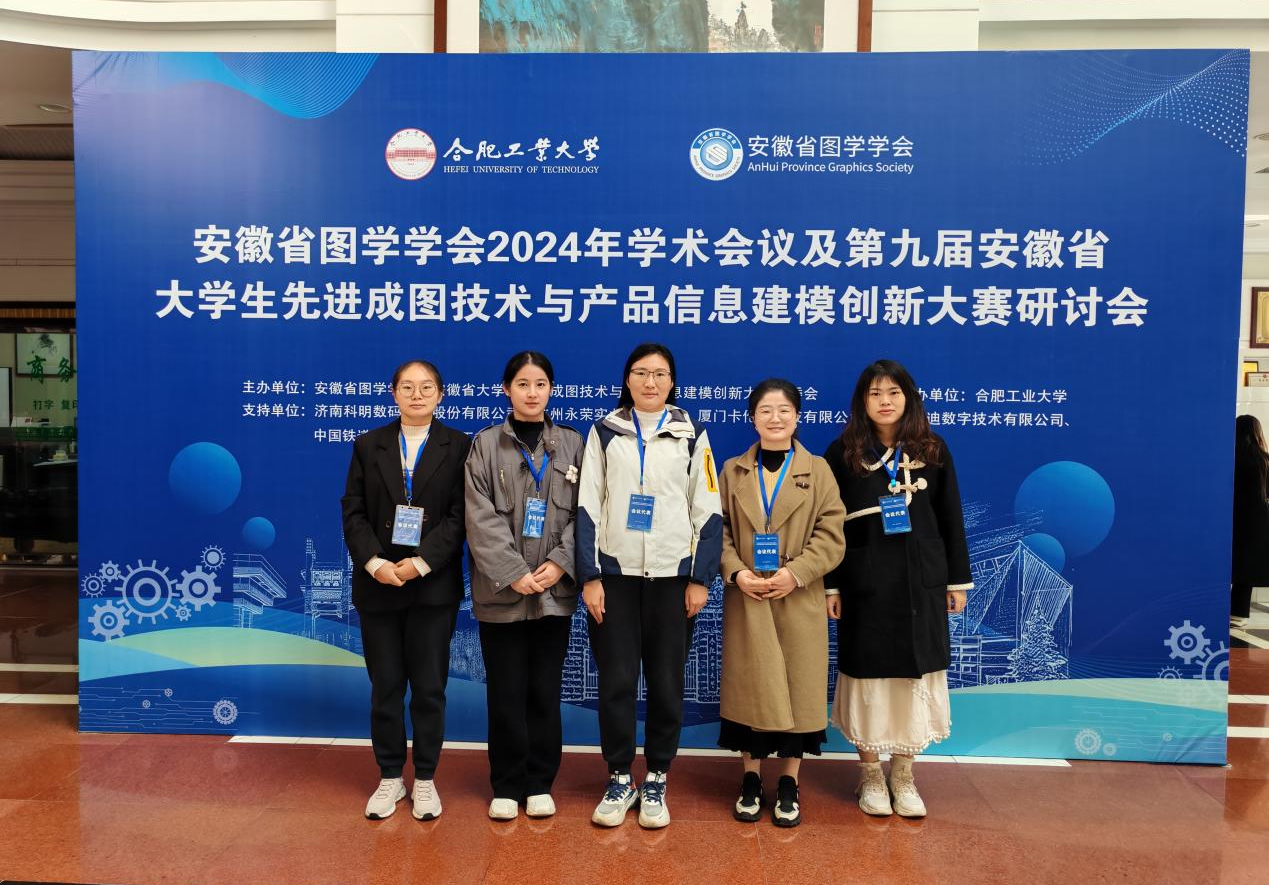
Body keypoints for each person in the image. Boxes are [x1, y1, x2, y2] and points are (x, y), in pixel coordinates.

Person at [576, 342, 723, 829]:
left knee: (666, 683)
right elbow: (587, 506)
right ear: (628, 379)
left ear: (672, 382)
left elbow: (708, 510)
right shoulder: (604, 432)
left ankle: (657, 775)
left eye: (660, 373)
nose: (650, 382)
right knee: (616, 682)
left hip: (672, 580)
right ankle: (620, 776)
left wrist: (699, 578)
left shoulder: (692, 434)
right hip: (615, 579)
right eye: (641, 372)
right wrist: (591, 575)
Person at [823, 359, 972, 819]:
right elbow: (827, 525)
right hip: (864, 584)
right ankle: (870, 774)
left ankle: (903, 775)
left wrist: (956, 580)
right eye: (875, 394)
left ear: (908, 397)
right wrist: (832, 586)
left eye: (893, 392)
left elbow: (951, 517)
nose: (884, 401)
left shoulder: (932, 449)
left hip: (921, 583)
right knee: (867, 677)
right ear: (861, 402)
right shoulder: (843, 452)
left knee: (915, 676)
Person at [341, 360, 470, 821]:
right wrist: (375, 563)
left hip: (432, 586)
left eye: (427, 387)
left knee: (430, 688)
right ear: (393, 393)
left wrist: (420, 562)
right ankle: (391, 776)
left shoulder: (459, 445)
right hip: (379, 585)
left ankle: (427, 779)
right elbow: (353, 510)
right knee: (386, 687)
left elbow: (461, 515)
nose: (417, 395)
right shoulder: (368, 444)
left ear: (441, 394)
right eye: (408, 387)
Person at [717, 379, 845, 827]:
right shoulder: (732, 471)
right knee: (752, 687)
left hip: (799, 595)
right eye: (766, 410)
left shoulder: (819, 470)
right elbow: (718, 532)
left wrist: (797, 573)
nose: (775, 418)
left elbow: (832, 534)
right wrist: (737, 572)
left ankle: (789, 781)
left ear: (797, 416)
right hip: (748, 595)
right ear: (752, 418)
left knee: (797, 689)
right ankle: (751, 778)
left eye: (784, 409)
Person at [465, 351, 585, 821]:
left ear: (551, 389)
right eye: (522, 384)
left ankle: (539, 783)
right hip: (502, 592)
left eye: (540, 384)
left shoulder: (572, 443)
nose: (532, 393)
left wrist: (559, 563)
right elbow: (479, 516)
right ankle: (506, 783)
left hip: (554, 592)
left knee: (544, 691)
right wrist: (514, 571)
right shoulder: (485, 444)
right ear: (506, 389)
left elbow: (587, 512)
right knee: (505, 692)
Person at [1232, 414, 1269, 628]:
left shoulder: (1228, 458)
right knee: (1246, 567)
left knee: (1227, 563)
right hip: (1256, 521)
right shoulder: (1264, 460)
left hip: (1229, 517)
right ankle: (1238, 613)